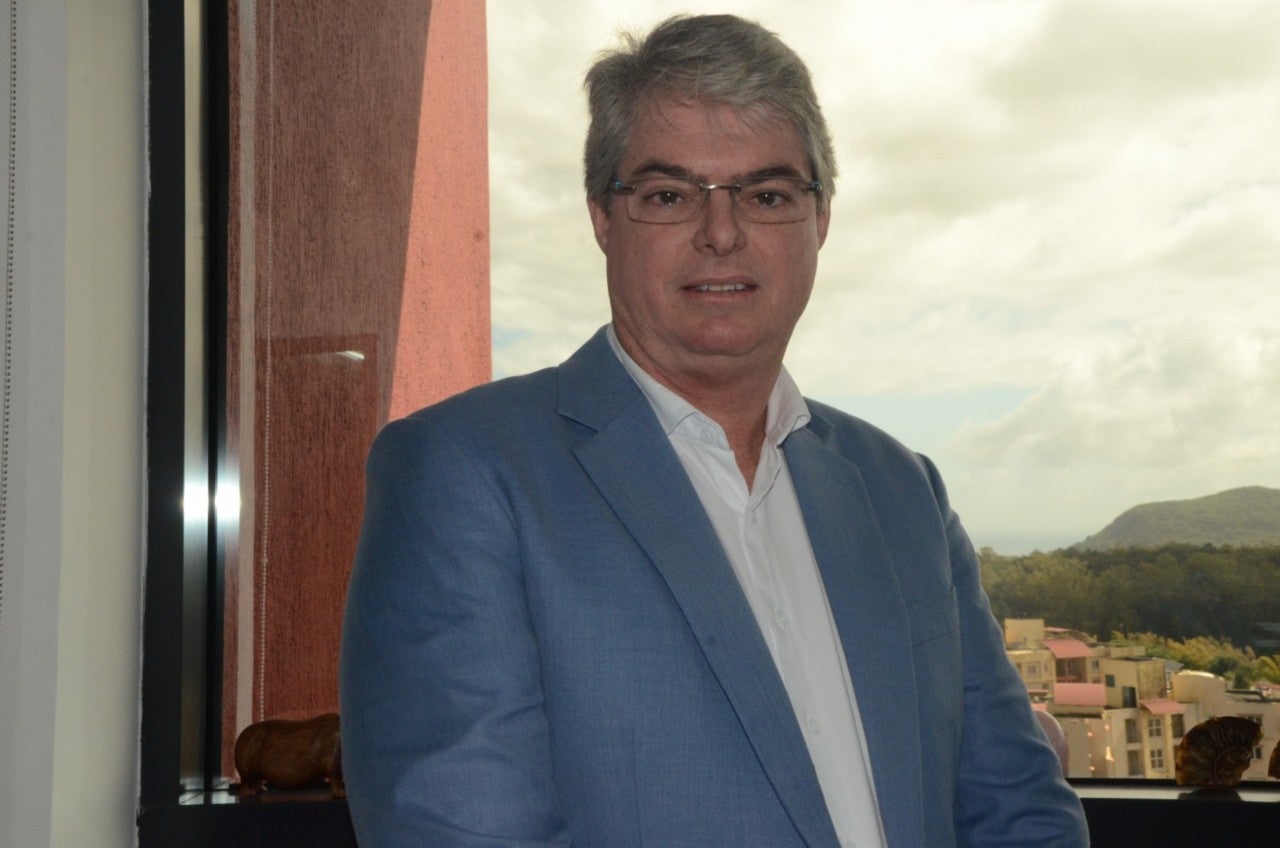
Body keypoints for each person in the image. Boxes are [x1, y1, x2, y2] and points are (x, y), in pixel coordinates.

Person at [340, 13, 1089, 848]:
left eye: (766, 195)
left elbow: (1018, 810)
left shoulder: (902, 491)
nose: (722, 233)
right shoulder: (465, 475)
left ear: (820, 219)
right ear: (602, 217)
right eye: (669, 195)